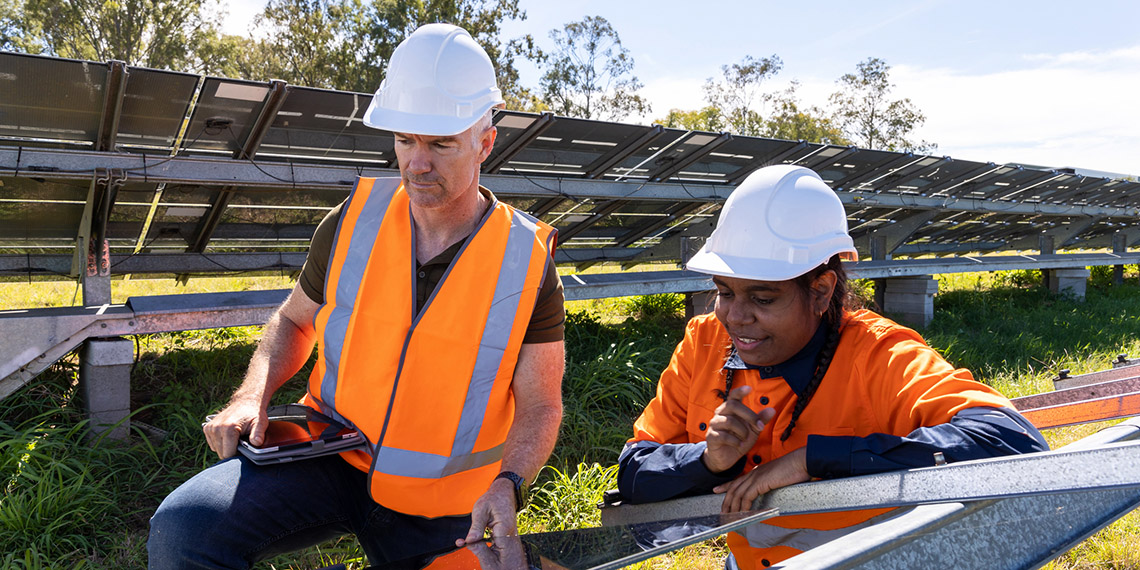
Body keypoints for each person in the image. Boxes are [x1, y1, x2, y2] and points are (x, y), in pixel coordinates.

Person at [148, 24, 565, 568]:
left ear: (485, 141)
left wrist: (508, 483)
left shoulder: (526, 262)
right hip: (331, 456)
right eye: (404, 139)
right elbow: (294, 322)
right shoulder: (352, 224)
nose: (417, 163)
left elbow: (541, 403)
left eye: (440, 143)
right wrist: (252, 395)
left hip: (445, 505)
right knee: (185, 530)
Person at [616, 164, 1048, 569]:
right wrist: (708, 460)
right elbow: (635, 472)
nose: (735, 317)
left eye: (763, 299)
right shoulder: (703, 342)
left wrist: (815, 458)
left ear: (821, 291)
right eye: (725, 292)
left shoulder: (878, 355)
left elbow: (1012, 441)